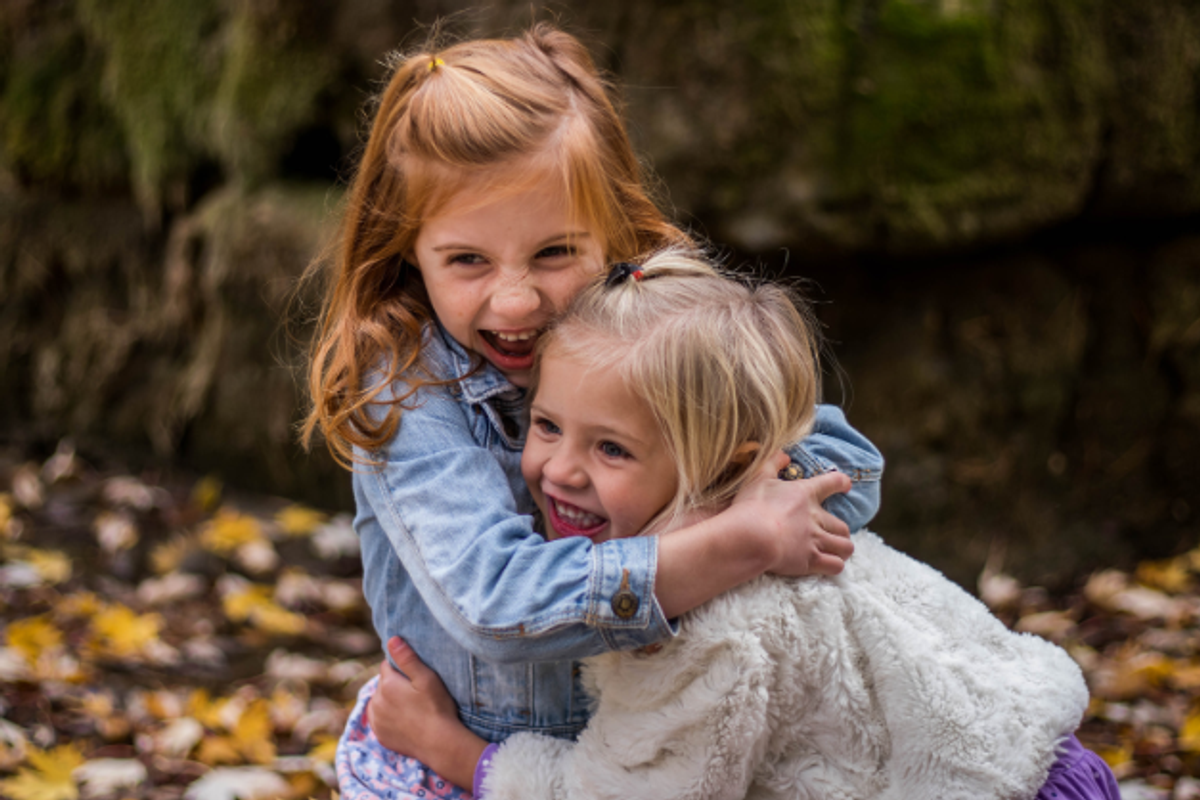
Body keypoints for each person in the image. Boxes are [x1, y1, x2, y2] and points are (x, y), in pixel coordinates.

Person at [302, 24, 884, 800]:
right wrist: (725, 545)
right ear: (409, 248)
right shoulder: (408, 388)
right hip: (468, 757)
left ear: (614, 231)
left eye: (553, 254)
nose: (515, 300)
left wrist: (728, 504)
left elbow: (850, 471)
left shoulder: (652, 334)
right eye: (467, 260)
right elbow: (496, 603)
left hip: (646, 750)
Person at [373, 249, 1121, 800]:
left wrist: (457, 752)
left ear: (724, 462)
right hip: (1037, 754)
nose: (561, 470)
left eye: (611, 448)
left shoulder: (703, 627)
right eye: (544, 425)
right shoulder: (783, 514)